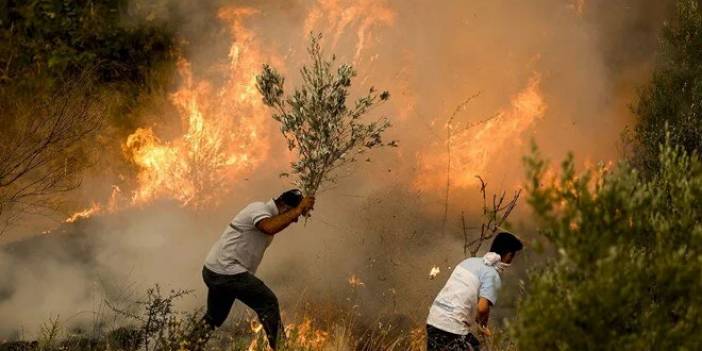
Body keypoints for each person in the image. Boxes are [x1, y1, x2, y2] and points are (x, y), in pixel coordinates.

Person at [196, 189, 315, 350]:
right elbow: (268, 227)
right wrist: (299, 209)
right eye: (292, 214)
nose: (294, 221)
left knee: (214, 317)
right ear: (284, 206)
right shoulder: (259, 209)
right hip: (226, 272)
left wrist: (297, 210)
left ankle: (185, 346)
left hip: (215, 271)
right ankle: (282, 348)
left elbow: (275, 225)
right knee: (268, 302)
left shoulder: (267, 214)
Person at [426, 232, 523, 351]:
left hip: (433, 320)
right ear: (509, 255)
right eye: (512, 256)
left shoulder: (469, 262)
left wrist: (481, 321)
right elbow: (482, 308)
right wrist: (483, 325)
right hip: (451, 329)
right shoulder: (493, 275)